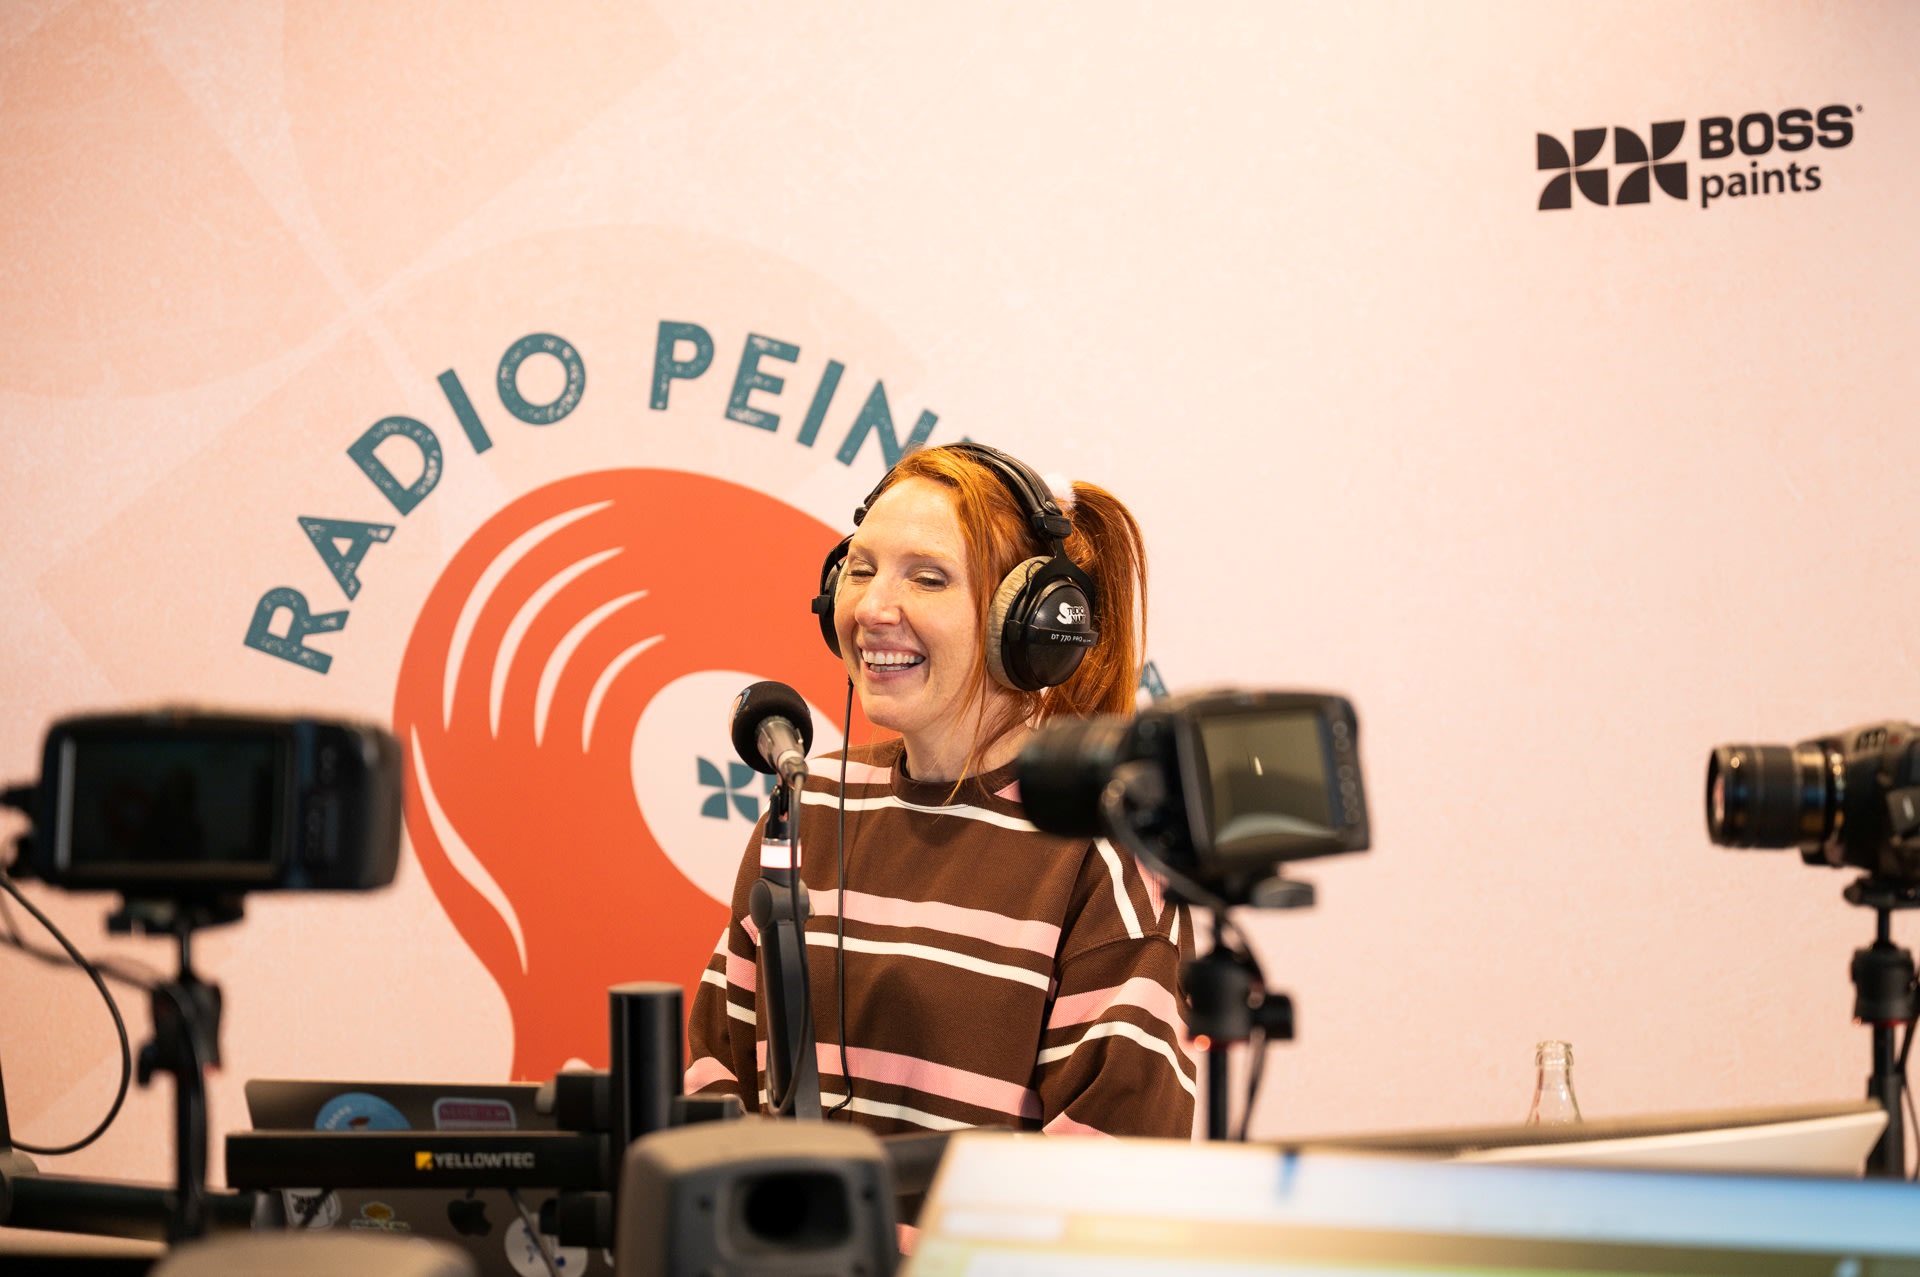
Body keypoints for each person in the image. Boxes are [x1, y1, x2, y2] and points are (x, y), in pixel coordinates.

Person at [685, 442, 1195, 1140]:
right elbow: (718, 1075)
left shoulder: (1101, 848)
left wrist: (877, 1246)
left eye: (927, 578)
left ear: (1028, 622)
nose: (871, 607)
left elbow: (1103, 1185)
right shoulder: (808, 802)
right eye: (859, 570)